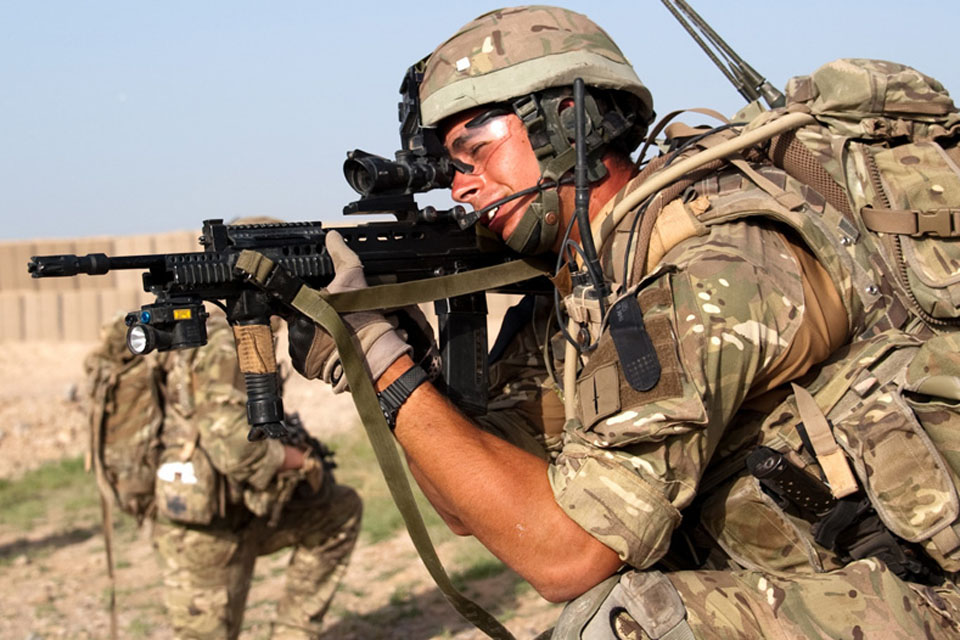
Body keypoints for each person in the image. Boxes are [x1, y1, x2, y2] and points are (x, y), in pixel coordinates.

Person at [286, 6, 960, 638]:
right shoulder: (580, 293)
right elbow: (474, 510)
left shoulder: (705, 272)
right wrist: (403, 368)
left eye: (477, 150)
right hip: (824, 586)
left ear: (568, 123)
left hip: (927, 596)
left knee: (624, 620)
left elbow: (567, 554)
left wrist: (380, 360)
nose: (461, 185)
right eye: (451, 168)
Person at [88, 312, 362, 640]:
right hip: (200, 531)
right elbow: (233, 446)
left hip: (237, 508)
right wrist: (299, 461)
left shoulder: (228, 331)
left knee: (337, 511)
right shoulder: (230, 339)